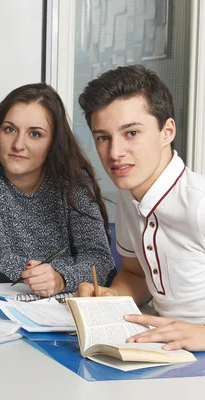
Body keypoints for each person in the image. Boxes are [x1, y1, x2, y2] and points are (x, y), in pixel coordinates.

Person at [76, 65, 205, 351]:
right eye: (103, 137)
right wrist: (112, 295)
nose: (114, 152)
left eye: (131, 133)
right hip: (164, 349)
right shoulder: (128, 195)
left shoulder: (199, 203)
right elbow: (136, 274)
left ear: (166, 131)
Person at [0, 83, 115, 296]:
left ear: (53, 142)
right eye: (10, 129)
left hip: (63, 303)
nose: (18, 145)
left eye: (35, 134)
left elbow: (100, 261)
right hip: (1, 298)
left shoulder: (73, 179)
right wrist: (44, 275)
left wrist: (60, 278)